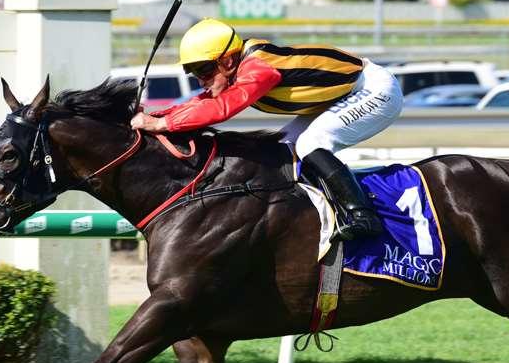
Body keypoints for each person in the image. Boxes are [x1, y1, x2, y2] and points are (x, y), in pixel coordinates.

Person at [130, 18, 403, 240]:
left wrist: (161, 124)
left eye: (204, 70)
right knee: (283, 148)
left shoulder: (258, 66)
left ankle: (363, 215)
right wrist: (154, 117)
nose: (201, 80)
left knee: (312, 143)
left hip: (374, 89)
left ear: (227, 61)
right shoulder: (235, 70)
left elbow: (222, 109)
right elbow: (200, 103)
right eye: (194, 73)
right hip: (341, 95)